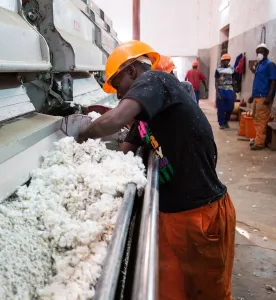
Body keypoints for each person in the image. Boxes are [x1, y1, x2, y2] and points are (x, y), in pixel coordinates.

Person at [78, 40, 236, 300]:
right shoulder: (146, 115)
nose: (118, 96)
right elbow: (127, 146)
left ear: (131, 71)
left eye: (118, 86)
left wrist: (77, 139)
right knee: (168, 292)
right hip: (169, 216)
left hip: (201, 215)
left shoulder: (156, 79)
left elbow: (115, 118)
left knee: (208, 294)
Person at [248, 43, 276, 150]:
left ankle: (259, 143)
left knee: (261, 120)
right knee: (256, 118)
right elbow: (258, 81)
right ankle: (258, 139)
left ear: (267, 53)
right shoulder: (260, 65)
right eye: (258, 52)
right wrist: (252, 96)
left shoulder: (270, 65)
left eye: (262, 51)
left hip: (264, 96)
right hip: (257, 96)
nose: (259, 54)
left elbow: (273, 81)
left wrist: (269, 97)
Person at [215, 54, 236, 130]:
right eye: (224, 60)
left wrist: (234, 92)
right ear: (222, 61)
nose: (226, 62)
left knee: (230, 107)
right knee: (221, 108)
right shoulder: (218, 70)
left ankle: (226, 121)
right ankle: (221, 123)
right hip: (221, 90)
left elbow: (233, 80)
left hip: (230, 90)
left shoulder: (232, 69)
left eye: (227, 60)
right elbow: (216, 81)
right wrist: (217, 93)